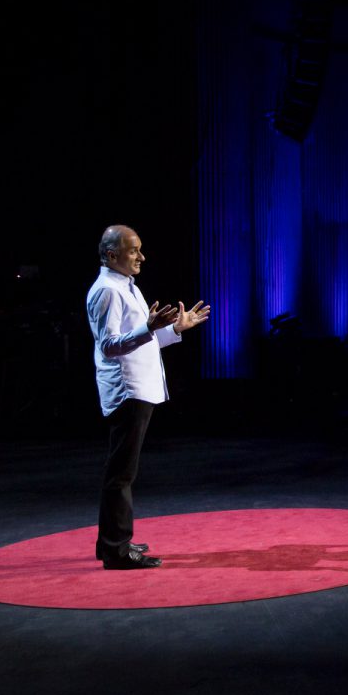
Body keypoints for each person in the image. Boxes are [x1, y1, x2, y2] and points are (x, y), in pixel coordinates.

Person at [88, 224, 210, 569]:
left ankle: (110, 542)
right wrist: (148, 327)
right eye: (133, 250)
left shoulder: (127, 286)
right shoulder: (107, 291)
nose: (141, 256)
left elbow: (145, 341)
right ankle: (116, 549)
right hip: (127, 390)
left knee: (122, 470)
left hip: (139, 387)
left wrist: (173, 329)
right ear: (112, 254)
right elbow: (109, 346)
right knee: (121, 472)